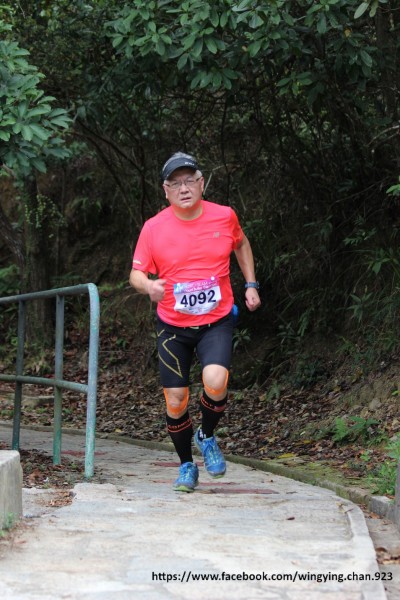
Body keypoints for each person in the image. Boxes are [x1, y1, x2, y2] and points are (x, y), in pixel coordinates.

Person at [129, 152, 261, 492]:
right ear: (166, 191)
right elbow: (135, 274)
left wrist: (250, 284)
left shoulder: (224, 216)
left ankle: (207, 435)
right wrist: (148, 286)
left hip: (216, 320)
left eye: (190, 181)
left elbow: (242, 244)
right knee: (176, 399)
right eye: (176, 184)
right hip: (173, 326)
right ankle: (187, 465)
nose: (184, 188)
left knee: (216, 382)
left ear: (202, 183)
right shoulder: (153, 228)